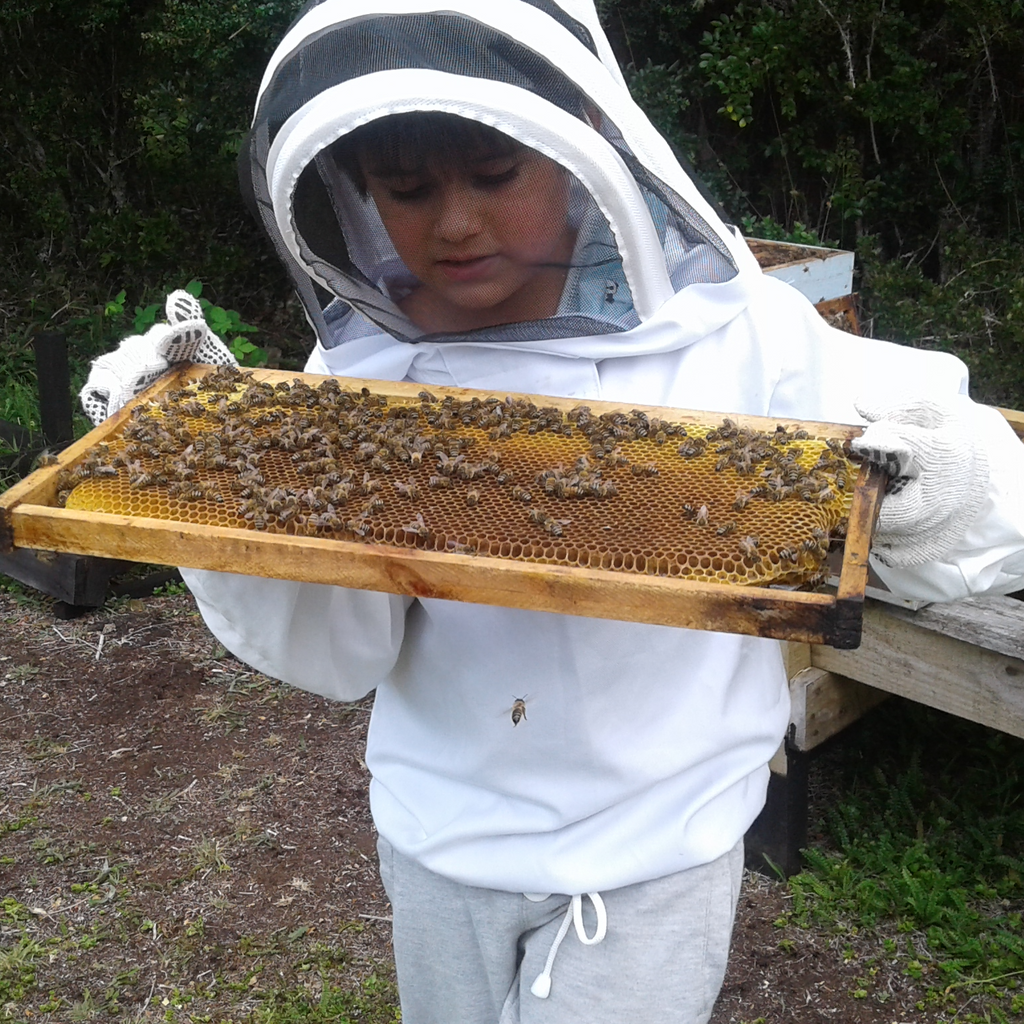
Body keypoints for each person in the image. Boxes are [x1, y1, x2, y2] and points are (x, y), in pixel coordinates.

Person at [80, 2, 1024, 1022]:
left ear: (582, 142)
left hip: (661, 845)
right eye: (407, 189)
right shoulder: (362, 365)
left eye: (495, 174)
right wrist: (214, 475)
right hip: (444, 838)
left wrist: (942, 488)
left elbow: (973, 522)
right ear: (352, 191)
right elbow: (338, 647)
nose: (454, 223)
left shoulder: (738, 332)